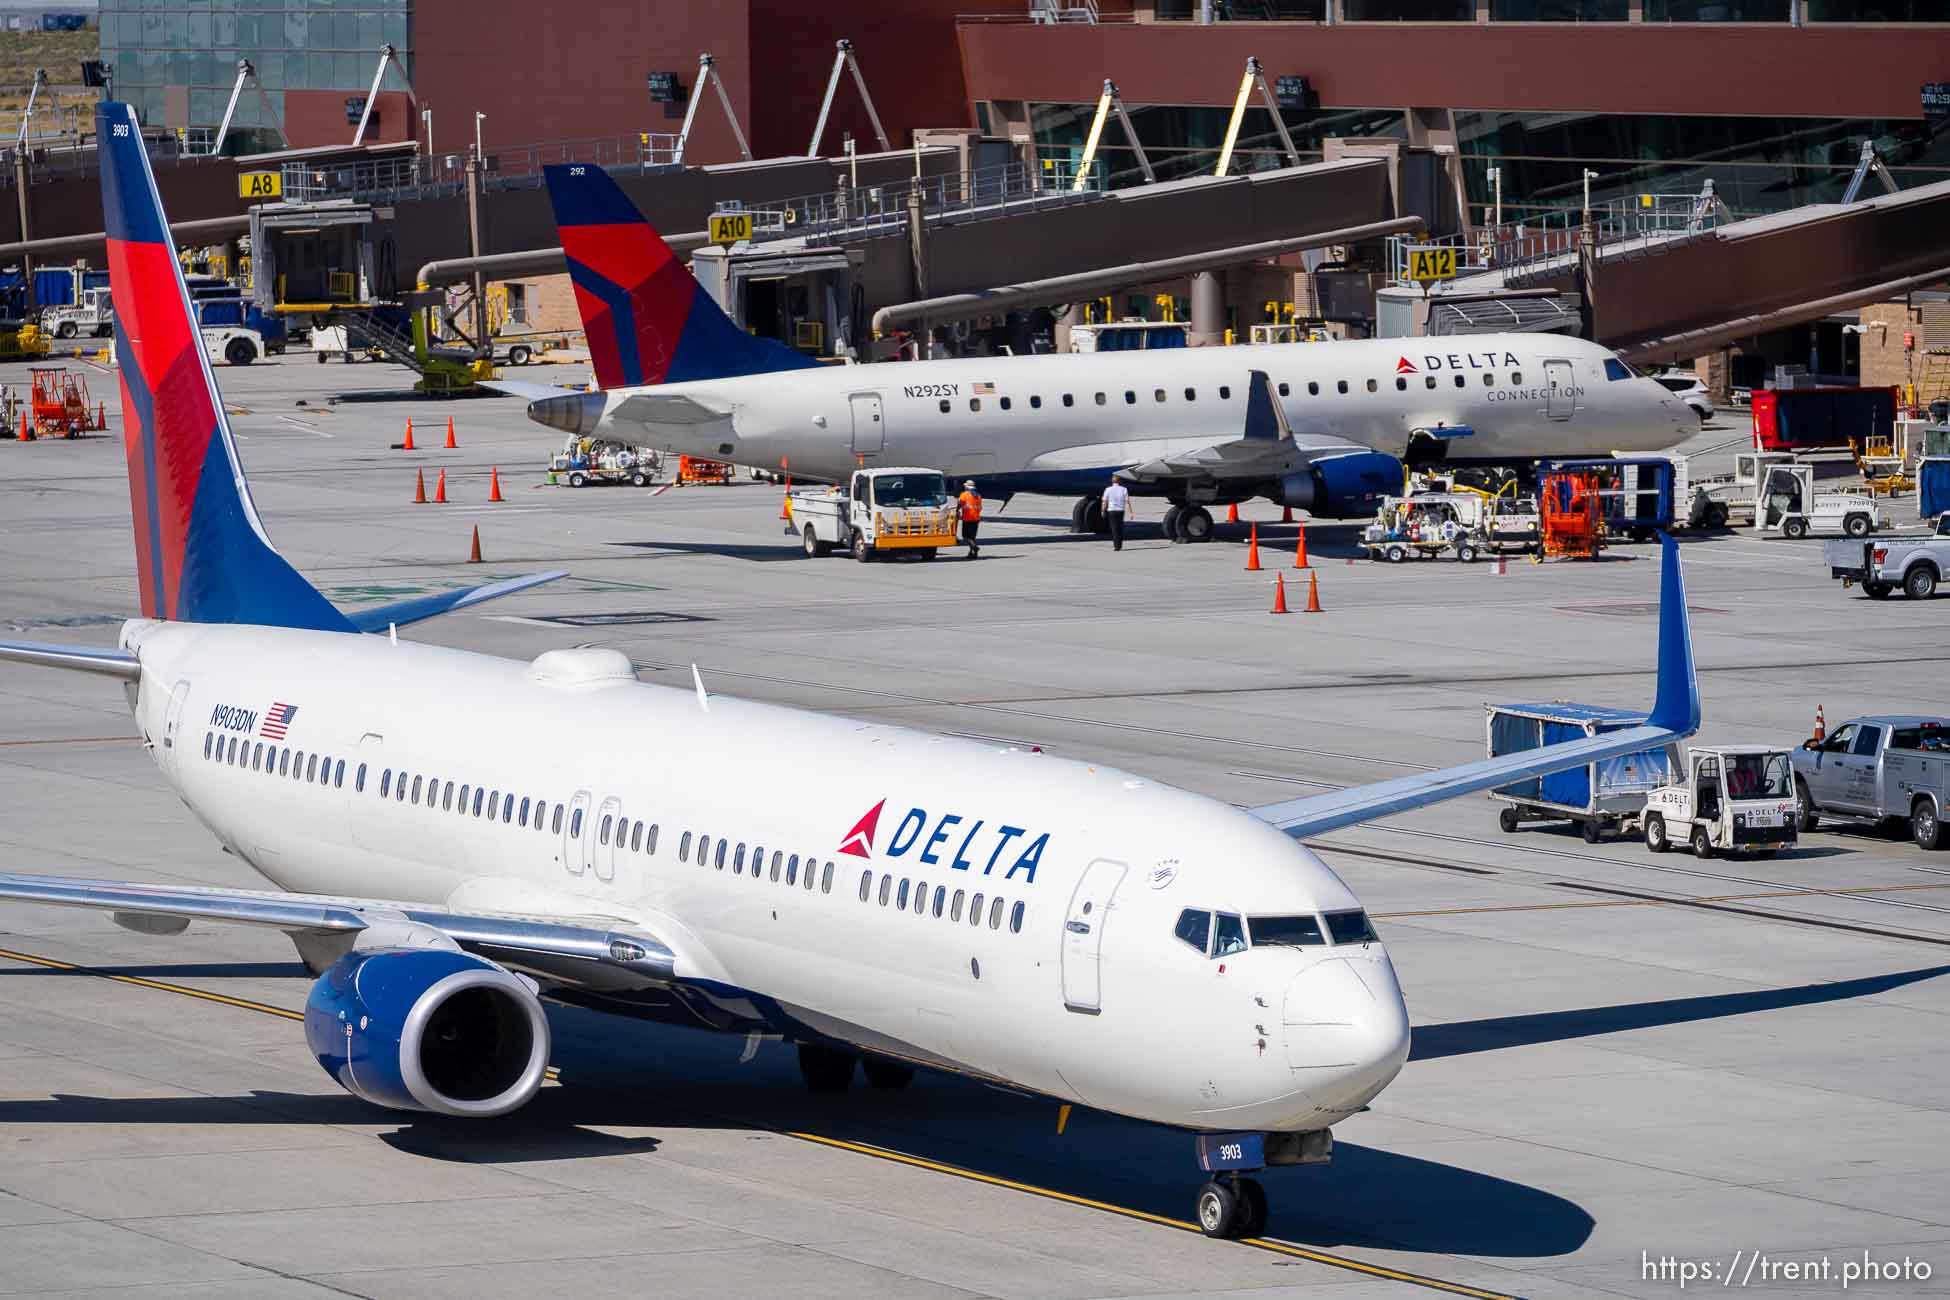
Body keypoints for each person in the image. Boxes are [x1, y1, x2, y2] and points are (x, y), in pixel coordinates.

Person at [957, 479, 983, 559]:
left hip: (967, 518)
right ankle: (973, 554)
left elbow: (960, 503)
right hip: (976, 518)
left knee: (965, 536)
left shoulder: (964, 494)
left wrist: (957, 511)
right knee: (972, 537)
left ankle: (975, 547)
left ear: (967, 487)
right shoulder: (978, 495)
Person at [1101, 479, 1130, 551]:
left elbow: (1104, 501)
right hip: (1120, 511)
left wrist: (1103, 510)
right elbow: (1127, 501)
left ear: (1112, 481)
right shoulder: (1124, 489)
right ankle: (1119, 545)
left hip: (1111, 510)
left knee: (1114, 528)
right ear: (1120, 481)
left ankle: (1116, 546)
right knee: (1120, 528)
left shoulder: (1108, 489)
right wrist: (1130, 512)